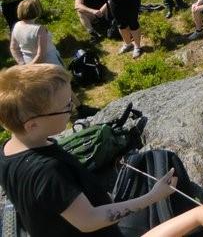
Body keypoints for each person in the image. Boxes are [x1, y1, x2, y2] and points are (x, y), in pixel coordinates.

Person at [0, 64, 176, 236]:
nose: (73, 109)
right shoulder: (48, 171)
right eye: (66, 106)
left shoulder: (7, 150)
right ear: (32, 125)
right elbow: (89, 221)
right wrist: (153, 196)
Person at [10, 0, 63, 66]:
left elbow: (13, 48)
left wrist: (22, 64)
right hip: (49, 64)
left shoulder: (17, 25)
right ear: (37, 11)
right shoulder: (39, 29)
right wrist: (31, 67)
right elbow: (41, 55)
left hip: (28, 61)